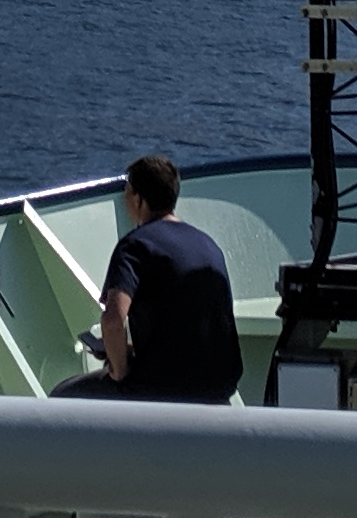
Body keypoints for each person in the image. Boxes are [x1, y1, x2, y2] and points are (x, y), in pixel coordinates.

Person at [56, 153, 243, 403]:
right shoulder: (208, 245)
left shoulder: (136, 246)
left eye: (127, 192)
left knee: (62, 397)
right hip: (219, 386)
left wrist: (119, 372)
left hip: (163, 387)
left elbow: (112, 319)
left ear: (139, 199)